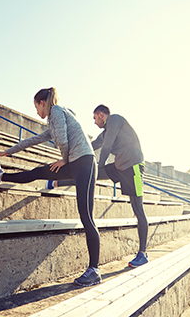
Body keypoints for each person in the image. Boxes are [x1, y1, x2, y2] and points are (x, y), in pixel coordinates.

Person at [0, 87, 101, 286]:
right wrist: (7, 152)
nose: (37, 112)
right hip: (74, 163)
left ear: (43, 103)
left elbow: (65, 141)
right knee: (39, 172)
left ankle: (94, 270)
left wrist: (63, 160)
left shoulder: (57, 111)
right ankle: (0, 175)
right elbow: (33, 140)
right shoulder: (53, 120)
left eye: (36, 107)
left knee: (86, 216)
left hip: (83, 163)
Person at [47, 104, 149, 267]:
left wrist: (100, 164)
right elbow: (91, 145)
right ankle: (57, 182)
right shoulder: (105, 133)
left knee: (138, 209)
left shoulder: (115, 120)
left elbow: (107, 146)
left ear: (101, 115)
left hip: (133, 167)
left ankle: (143, 253)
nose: (94, 122)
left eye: (95, 118)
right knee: (88, 175)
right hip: (120, 166)